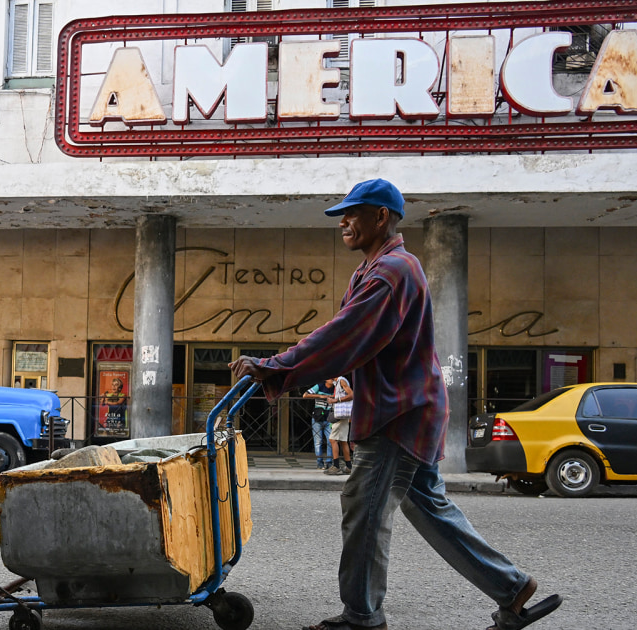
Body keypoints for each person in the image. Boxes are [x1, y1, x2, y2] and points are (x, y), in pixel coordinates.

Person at [229, 179, 560, 630]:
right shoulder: (377, 268)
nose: (343, 222)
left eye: (353, 212)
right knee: (427, 506)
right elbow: (352, 339)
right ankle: (512, 588)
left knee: (364, 506)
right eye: (341, 215)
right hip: (404, 409)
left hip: (397, 415)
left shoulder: (392, 271)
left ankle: (361, 617)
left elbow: (344, 336)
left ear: (381, 216)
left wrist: (275, 367)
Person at [303, 379, 337, 469]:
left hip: (329, 418)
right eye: (331, 379)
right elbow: (305, 395)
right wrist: (321, 396)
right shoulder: (319, 386)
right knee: (318, 442)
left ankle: (329, 462)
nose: (333, 381)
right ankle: (320, 462)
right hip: (317, 418)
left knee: (331, 440)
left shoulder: (336, 388)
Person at [324, 375, 353, 475]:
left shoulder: (341, 381)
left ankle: (336, 466)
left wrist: (336, 400)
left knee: (333, 439)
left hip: (340, 415)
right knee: (343, 441)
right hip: (343, 415)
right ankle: (348, 466)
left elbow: (351, 395)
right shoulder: (340, 381)